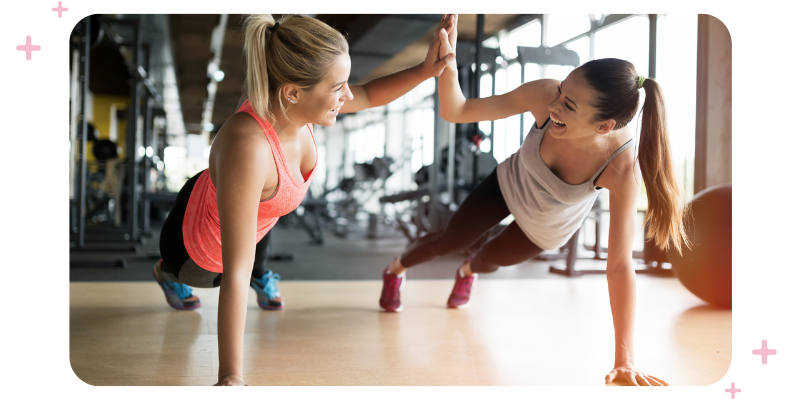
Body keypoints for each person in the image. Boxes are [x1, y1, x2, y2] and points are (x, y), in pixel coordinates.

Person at [378, 14, 685, 387]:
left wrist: (625, 360)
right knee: (451, 239)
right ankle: (395, 270)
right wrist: (448, 62)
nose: (555, 105)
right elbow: (456, 110)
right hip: (508, 184)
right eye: (561, 93)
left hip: (546, 227)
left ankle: (466, 273)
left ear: (604, 126)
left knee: (486, 260)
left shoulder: (620, 169)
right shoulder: (544, 97)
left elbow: (620, 266)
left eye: (569, 106)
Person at [153, 14, 456, 386]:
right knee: (226, 270)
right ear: (293, 92)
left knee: (261, 230)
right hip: (194, 249)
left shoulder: (298, 107)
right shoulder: (249, 148)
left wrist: (429, 70)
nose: (347, 95)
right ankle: (165, 273)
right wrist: (230, 377)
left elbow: (371, 94)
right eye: (338, 86)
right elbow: (234, 275)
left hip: (252, 211)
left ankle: (256, 265)